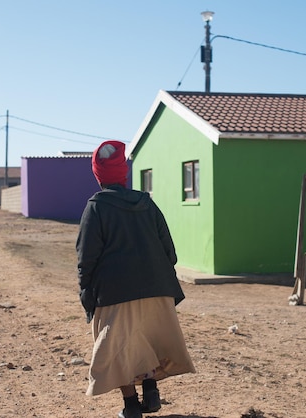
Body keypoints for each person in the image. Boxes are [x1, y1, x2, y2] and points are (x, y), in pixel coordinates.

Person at [76, 140, 196, 418]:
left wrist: (87, 295)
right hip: (158, 288)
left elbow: (86, 259)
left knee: (119, 349)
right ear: (123, 173)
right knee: (148, 339)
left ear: (98, 174)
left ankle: (131, 407)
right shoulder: (147, 204)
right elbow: (169, 250)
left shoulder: (96, 208)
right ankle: (151, 393)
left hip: (116, 293)